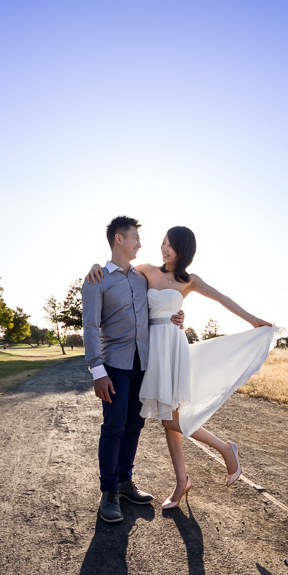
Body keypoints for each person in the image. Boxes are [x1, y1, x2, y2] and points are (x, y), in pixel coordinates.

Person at [88, 226, 283, 510]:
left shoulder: (190, 280)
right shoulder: (145, 271)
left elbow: (222, 298)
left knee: (170, 419)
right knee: (165, 419)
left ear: (184, 251)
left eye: (171, 246)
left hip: (172, 348)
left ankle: (221, 453)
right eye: (163, 243)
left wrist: (254, 321)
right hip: (148, 351)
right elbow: (120, 268)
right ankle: (184, 479)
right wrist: (95, 266)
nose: (164, 249)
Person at [81, 216, 184, 523]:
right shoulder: (96, 279)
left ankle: (125, 481)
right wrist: (97, 371)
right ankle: (109, 491)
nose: (140, 243)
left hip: (144, 364)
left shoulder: (141, 277)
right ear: (118, 240)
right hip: (114, 366)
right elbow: (89, 326)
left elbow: (163, 301)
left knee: (134, 426)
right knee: (113, 428)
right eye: (135, 238)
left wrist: (178, 315)